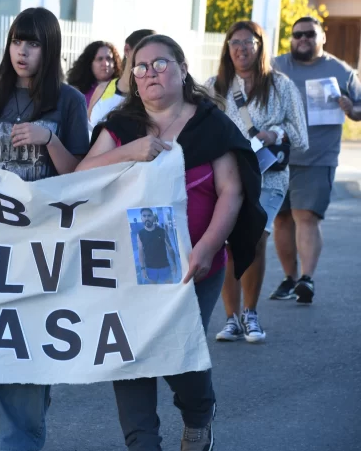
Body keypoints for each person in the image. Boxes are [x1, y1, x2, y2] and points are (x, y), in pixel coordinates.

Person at [76, 34, 265, 451]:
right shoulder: (121, 126)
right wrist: (130, 151)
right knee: (128, 353)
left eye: (160, 64)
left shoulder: (210, 124)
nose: (150, 73)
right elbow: (81, 177)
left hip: (192, 263)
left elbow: (232, 191)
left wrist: (208, 248)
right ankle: (142, 443)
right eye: (140, 67)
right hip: (126, 268)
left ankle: (198, 413)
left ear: (182, 69)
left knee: (178, 349)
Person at [0, 7, 90, 451]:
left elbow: (82, 178)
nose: (22, 51)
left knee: (25, 343)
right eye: (16, 41)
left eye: (33, 43)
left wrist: (50, 139)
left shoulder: (68, 101)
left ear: (50, 49)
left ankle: (15, 441)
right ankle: (21, 425)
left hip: (45, 244)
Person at [205, 21, 308, 343]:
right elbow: (198, 128)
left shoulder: (281, 86)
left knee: (255, 240)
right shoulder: (214, 86)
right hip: (228, 176)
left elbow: (301, 137)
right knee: (228, 243)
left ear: (260, 46)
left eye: (248, 42)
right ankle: (231, 319)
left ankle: (251, 314)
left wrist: (275, 133)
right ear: (227, 47)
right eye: (234, 42)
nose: (241, 48)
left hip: (269, 177)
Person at [270, 17, 361, 303]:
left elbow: (360, 108)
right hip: (278, 157)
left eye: (309, 34)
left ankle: (306, 279)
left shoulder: (341, 71)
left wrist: (352, 109)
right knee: (281, 218)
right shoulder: (275, 66)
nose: (303, 39)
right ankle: (289, 279)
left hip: (318, 156)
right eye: (297, 35)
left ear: (322, 37)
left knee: (306, 216)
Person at [88, 29, 157, 129]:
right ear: (127, 50)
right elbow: (86, 127)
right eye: (143, 51)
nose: (148, 59)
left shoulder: (148, 96)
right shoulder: (102, 89)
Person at [66, 40, 121, 107]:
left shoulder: (121, 88)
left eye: (109, 58)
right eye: (100, 59)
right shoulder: (77, 91)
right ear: (89, 63)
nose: (105, 64)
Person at [137, 207, 177, 284]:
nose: (147, 218)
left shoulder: (162, 231)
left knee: (169, 288)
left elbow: (170, 249)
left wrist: (174, 264)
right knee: (154, 289)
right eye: (144, 216)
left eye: (149, 215)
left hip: (165, 267)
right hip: (150, 268)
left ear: (153, 217)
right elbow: (140, 251)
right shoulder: (140, 234)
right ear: (141, 218)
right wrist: (143, 269)